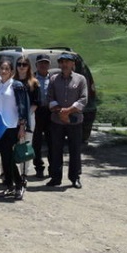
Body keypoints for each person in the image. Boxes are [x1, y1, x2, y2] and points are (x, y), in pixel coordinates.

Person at [0, 59, 31, 200]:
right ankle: (10, 185)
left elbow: (23, 107)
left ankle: (18, 185)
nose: (3, 71)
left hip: (13, 126)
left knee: (9, 157)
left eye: (6, 69)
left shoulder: (17, 86)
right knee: (5, 157)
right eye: (1, 68)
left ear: (11, 71)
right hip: (0, 127)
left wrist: (22, 126)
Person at [47, 52, 88, 189]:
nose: (64, 64)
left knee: (75, 150)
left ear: (72, 64)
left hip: (74, 121)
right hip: (57, 121)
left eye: (67, 62)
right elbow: (50, 98)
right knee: (56, 149)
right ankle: (55, 178)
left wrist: (68, 111)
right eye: (62, 62)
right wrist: (60, 112)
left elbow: (83, 99)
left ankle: (75, 177)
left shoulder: (81, 79)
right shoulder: (53, 79)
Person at [14, 56, 40, 182]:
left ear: (29, 66)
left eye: (24, 64)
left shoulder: (34, 83)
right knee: (12, 145)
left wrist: (24, 117)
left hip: (29, 117)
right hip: (12, 118)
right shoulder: (11, 81)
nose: (21, 67)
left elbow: (36, 103)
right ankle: (7, 173)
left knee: (26, 145)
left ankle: (24, 173)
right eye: (19, 64)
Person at [32, 53, 53, 179]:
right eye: (41, 63)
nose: (43, 65)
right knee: (37, 142)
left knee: (52, 142)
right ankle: (39, 167)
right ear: (36, 65)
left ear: (49, 65)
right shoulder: (32, 79)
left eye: (45, 63)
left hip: (50, 112)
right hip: (37, 112)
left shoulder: (54, 79)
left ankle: (53, 168)